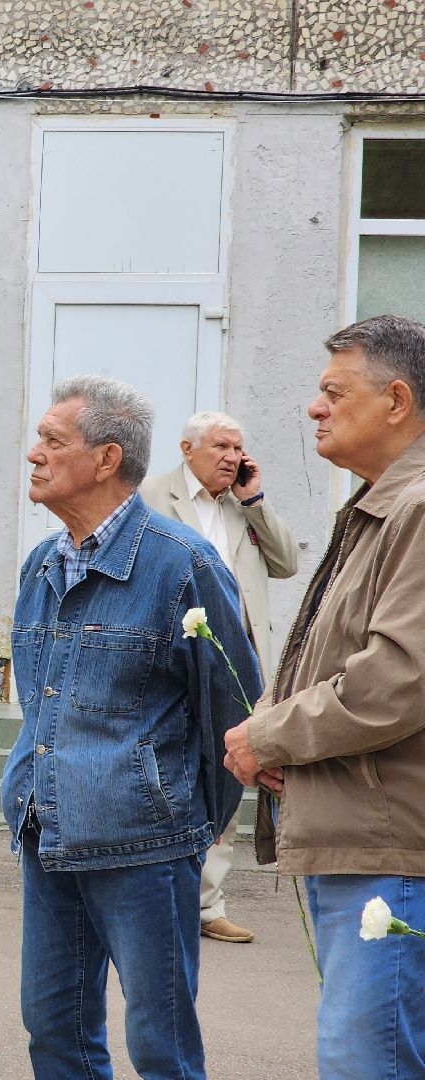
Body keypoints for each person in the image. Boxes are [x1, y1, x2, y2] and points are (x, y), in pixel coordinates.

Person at [2, 374, 261, 1080]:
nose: (34, 453)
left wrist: (188, 824)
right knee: (53, 1029)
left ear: (107, 458)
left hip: (147, 844)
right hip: (47, 829)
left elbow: (233, 712)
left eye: (52, 440)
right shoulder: (41, 565)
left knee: (160, 1045)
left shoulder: (183, 564)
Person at [223, 314, 425, 1079]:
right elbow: (337, 654)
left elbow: (397, 679)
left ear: (397, 401)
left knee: (370, 1063)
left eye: (334, 393)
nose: (314, 407)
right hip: (369, 836)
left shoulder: (417, 507)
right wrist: (276, 728)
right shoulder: (384, 504)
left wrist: (270, 736)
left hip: (390, 848)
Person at [140, 411, 298, 944]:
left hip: (235, 661)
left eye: (237, 448)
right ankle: (159, 896)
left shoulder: (242, 505)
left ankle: (207, 905)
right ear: (187, 449)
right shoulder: (151, 495)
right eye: (220, 447)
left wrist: (255, 502)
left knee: (230, 770)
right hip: (171, 658)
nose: (232, 458)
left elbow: (287, 563)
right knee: (170, 770)